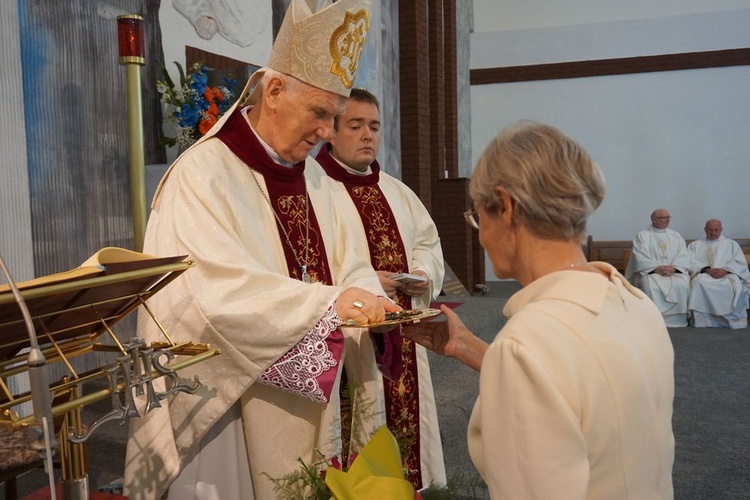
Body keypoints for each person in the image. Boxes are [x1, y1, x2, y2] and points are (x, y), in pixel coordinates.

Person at [123, 1, 403, 499]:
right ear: (274, 91)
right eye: (320, 113)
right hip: (229, 406)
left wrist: (365, 297)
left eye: (333, 117)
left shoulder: (315, 178)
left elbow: (351, 260)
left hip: (317, 394)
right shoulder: (202, 174)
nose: (325, 133)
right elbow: (200, 297)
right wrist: (323, 306)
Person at [403, 122, 675, 498]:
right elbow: (579, 391)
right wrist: (475, 350)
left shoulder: (527, 343)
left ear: (506, 207)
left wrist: (507, 358)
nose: (480, 235)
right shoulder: (636, 303)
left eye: (478, 216)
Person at [315, 88, 446, 489]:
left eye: (374, 126)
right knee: (360, 418)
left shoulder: (397, 191)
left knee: (407, 422)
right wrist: (371, 282)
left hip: (403, 332)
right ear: (331, 132)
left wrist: (421, 274)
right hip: (353, 336)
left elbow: (427, 243)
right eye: (355, 126)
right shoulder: (313, 190)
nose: (367, 135)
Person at [625, 209, 692, 327]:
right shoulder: (643, 236)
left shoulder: (675, 235)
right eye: (664, 218)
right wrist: (656, 269)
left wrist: (674, 268)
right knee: (648, 285)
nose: (667, 220)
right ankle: (652, 320)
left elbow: (683, 254)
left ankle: (678, 319)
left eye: (668, 217)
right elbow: (640, 255)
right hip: (651, 272)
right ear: (654, 220)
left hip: (673, 272)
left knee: (683, 285)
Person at [687, 219, 750, 329]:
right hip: (704, 274)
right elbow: (690, 261)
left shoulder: (731, 244)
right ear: (705, 230)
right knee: (698, 283)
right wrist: (706, 269)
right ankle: (704, 321)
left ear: (721, 229)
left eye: (716, 230)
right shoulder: (695, 245)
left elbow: (740, 262)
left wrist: (725, 270)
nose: (713, 232)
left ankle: (732, 320)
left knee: (733, 285)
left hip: (728, 274)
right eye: (710, 230)